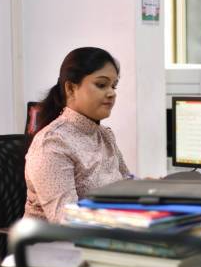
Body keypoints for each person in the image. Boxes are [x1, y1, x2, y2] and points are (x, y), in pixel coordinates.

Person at [24, 47, 130, 222]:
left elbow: (127, 185)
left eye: (113, 86)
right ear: (71, 89)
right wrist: (125, 220)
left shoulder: (105, 135)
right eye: (101, 85)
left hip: (103, 237)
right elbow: (67, 220)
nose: (112, 93)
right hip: (54, 244)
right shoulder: (53, 143)